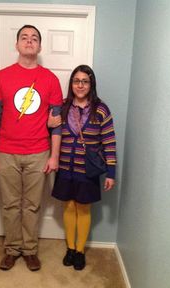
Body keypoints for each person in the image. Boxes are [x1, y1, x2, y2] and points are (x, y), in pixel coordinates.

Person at [0, 25, 62, 271]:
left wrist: (54, 156)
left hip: (39, 153)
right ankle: (12, 249)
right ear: (17, 44)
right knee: (9, 205)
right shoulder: (1, 77)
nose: (29, 41)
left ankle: (29, 250)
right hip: (5, 152)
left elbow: (57, 124)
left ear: (39, 47)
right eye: (24, 37)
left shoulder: (50, 79)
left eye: (34, 38)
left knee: (32, 205)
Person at [52, 64, 117, 270]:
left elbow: (109, 141)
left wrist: (111, 172)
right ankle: (70, 248)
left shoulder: (100, 109)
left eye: (85, 81)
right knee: (68, 207)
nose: (80, 85)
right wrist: (48, 123)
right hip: (64, 168)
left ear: (91, 84)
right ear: (71, 83)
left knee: (84, 208)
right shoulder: (62, 106)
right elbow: (52, 133)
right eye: (76, 81)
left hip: (87, 170)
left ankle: (80, 251)